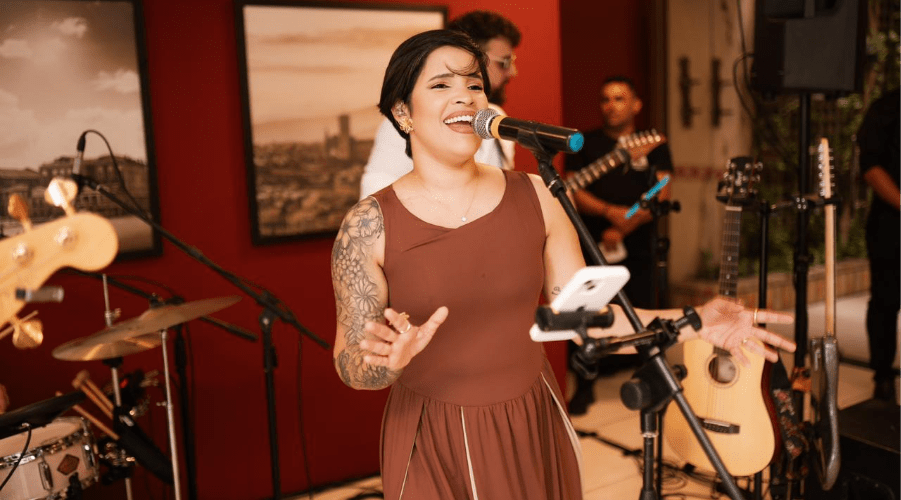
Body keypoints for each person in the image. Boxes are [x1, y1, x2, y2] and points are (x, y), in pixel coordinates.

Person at [331, 29, 795, 499]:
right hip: (434, 434)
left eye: (474, 85)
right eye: (441, 85)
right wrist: (388, 363)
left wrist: (697, 322)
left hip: (530, 420)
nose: (465, 97)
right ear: (403, 112)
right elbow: (350, 364)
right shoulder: (368, 225)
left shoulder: (537, 195)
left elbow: (586, 321)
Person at [564, 76, 674, 414]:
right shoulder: (584, 143)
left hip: (639, 245)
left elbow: (662, 187)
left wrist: (629, 221)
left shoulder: (653, 144)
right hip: (593, 241)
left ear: (636, 105)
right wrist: (609, 213)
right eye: (605, 99)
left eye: (619, 98)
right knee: (588, 309)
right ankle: (585, 386)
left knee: (645, 309)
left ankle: (650, 382)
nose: (611, 106)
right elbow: (572, 187)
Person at [358, 11, 519, 199]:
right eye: (505, 62)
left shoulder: (496, 118)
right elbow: (378, 190)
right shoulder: (408, 121)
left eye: (474, 86)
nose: (513, 72)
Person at [857, 87, 900, 402]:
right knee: (885, 302)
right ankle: (882, 378)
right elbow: (871, 168)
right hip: (891, 227)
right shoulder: (887, 107)